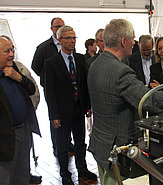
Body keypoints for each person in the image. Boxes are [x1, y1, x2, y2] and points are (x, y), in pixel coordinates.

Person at [87, 19, 163, 185]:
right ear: (124, 41)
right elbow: (148, 100)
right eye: (133, 39)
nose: (134, 43)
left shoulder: (96, 63)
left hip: (101, 144)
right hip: (116, 149)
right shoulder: (120, 70)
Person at [44, 26, 97, 185]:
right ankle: (65, 174)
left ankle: (82, 169)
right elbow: (50, 92)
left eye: (74, 38)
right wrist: (54, 115)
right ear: (60, 40)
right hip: (61, 112)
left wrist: (88, 106)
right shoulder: (51, 63)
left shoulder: (81, 59)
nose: (72, 41)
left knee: (81, 142)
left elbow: (84, 85)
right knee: (62, 146)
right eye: (68, 38)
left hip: (79, 109)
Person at [1, 34, 42, 184]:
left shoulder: (16, 68)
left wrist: (18, 77)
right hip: (5, 137)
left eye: (12, 49)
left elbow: (31, 89)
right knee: (6, 176)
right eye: (7, 51)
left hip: (24, 129)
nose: (12, 54)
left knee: (23, 171)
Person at [31, 17, 74, 156]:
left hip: (68, 89)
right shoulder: (44, 47)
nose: (59, 28)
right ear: (52, 29)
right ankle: (57, 146)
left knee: (69, 117)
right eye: (57, 27)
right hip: (52, 89)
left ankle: (68, 143)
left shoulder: (69, 44)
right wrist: (46, 78)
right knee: (56, 118)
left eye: (62, 26)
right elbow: (35, 66)